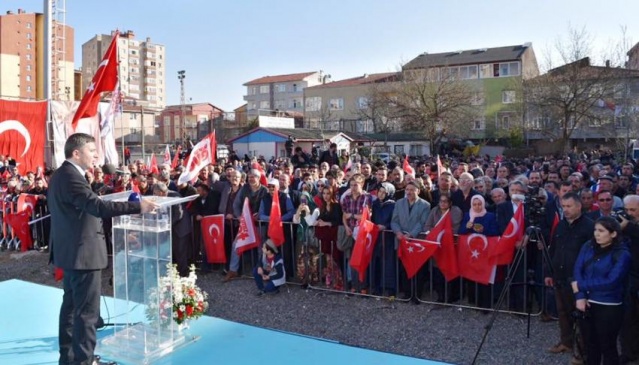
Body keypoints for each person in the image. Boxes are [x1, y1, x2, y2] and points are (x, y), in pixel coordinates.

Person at [49, 133, 157, 365]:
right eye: (92, 151)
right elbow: (96, 206)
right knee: (86, 313)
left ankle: (70, 359)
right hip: (83, 254)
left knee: (71, 308)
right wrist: (137, 206)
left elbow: (84, 204)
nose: (97, 155)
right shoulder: (71, 176)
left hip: (72, 252)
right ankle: (84, 361)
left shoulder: (63, 174)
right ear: (76, 153)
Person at [572, 217, 631, 365]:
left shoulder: (623, 254)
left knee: (607, 346)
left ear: (613, 234)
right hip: (587, 302)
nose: (596, 234)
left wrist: (581, 287)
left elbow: (612, 281)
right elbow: (578, 270)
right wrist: (580, 296)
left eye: (601, 231)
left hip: (609, 305)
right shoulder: (588, 246)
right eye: (595, 230)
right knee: (590, 346)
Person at [545, 192, 594, 363]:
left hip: (578, 281)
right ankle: (566, 342)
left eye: (569, 206)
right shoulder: (561, 225)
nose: (565, 210)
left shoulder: (589, 227)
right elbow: (554, 249)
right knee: (563, 312)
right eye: (563, 206)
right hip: (560, 276)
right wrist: (549, 272)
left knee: (581, 317)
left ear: (579, 206)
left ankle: (582, 351)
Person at [391, 181, 431, 303]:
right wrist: (398, 232)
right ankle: (407, 293)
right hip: (402, 240)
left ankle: (417, 295)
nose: (408, 192)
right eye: (407, 189)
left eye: (412, 190)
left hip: (416, 241)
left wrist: (411, 234)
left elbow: (422, 222)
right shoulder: (399, 203)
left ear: (418, 191)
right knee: (404, 268)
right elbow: (394, 220)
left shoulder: (425, 205)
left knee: (418, 269)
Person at [459, 195, 499, 308]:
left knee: (484, 275)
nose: (477, 206)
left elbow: (496, 232)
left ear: (483, 204)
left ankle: (485, 303)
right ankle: (474, 301)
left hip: (484, 251)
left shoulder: (490, 216)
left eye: (479, 204)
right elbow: (461, 231)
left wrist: (483, 230)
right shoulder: (468, 215)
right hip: (471, 251)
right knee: (472, 275)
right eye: (475, 204)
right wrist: (467, 227)